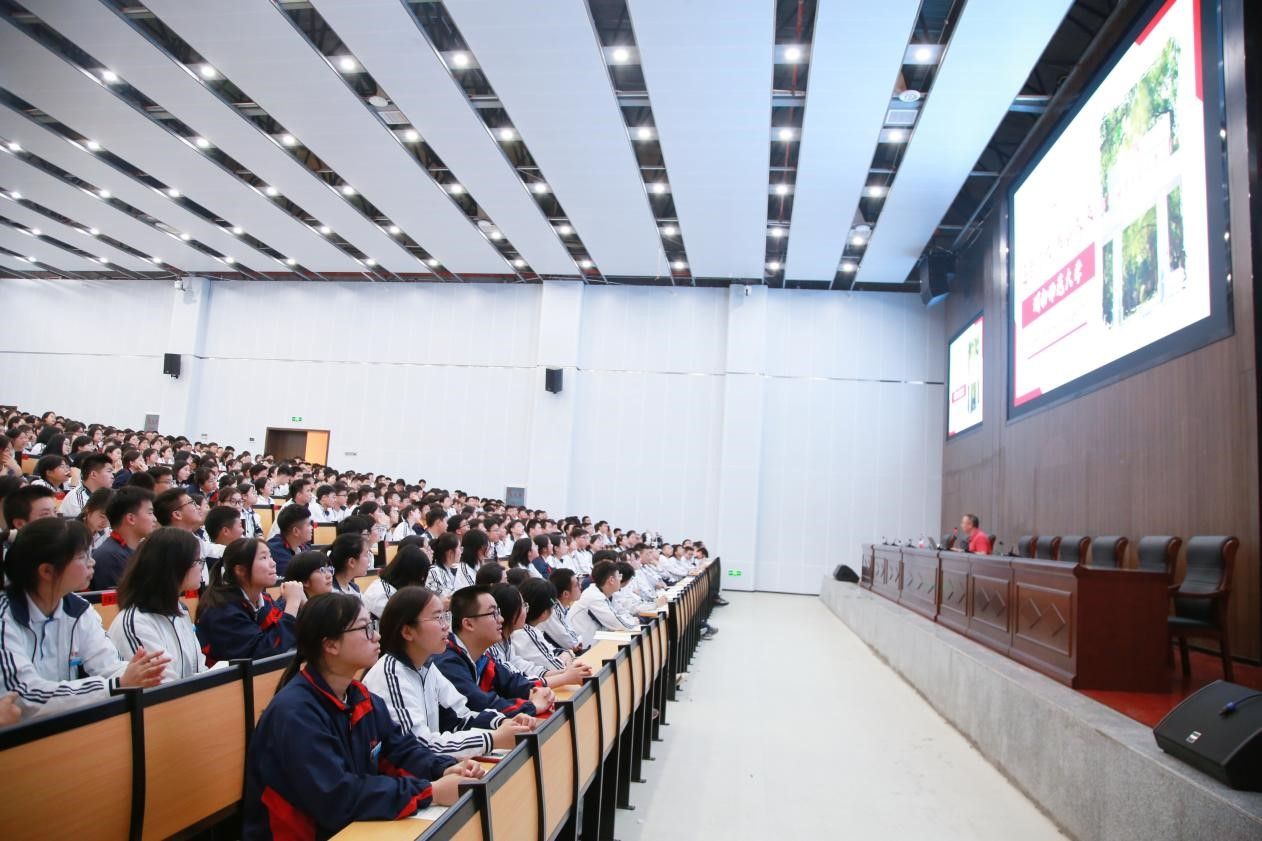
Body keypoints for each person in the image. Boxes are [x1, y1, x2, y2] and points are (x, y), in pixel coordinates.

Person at [242, 592, 483, 839]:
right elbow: (337, 797)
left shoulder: (360, 696)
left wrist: (445, 769)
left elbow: (399, 751)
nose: (377, 636)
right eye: (365, 629)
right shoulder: (295, 713)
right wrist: (430, 792)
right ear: (331, 645)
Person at [0, 517, 169, 720]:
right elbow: (24, 695)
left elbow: (108, 665)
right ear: (47, 571)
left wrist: (143, 672)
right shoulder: (4, 617)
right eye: (82, 556)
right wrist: (115, 685)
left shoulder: (79, 609)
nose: (92, 562)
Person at [364, 586, 534, 760]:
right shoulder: (391, 675)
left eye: (446, 617)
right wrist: (492, 739)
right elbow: (420, 745)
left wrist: (503, 722)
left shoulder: (427, 666)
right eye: (438, 618)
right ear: (407, 631)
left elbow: (461, 717)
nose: (446, 626)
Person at [108, 527, 218, 682]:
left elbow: (198, 668)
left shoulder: (180, 610)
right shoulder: (136, 623)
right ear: (174, 566)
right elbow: (163, 686)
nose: (201, 567)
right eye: (197, 561)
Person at [431, 586, 553, 719]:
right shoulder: (447, 661)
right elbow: (480, 704)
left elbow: (510, 682)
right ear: (468, 624)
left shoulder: (481, 657)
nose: (501, 619)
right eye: (493, 613)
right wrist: (532, 706)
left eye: (498, 612)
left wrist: (535, 692)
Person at [196, 538, 303, 664]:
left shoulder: (263, 600)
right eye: (264, 558)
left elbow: (289, 635)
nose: (273, 563)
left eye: (271, 556)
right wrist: (292, 604)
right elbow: (262, 655)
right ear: (240, 570)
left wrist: (304, 603)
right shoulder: (222, 611)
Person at [491, 583, 589, 685]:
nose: (526, 609)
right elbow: (517, 684)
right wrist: (565, 674)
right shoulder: (521, 634)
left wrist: (566, 670)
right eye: (523, 605)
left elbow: (523, 667)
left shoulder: (507, 639)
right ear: (511, 612)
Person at [89, 487, 158, 590]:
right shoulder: (109, 557)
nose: (154, 519)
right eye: (150, 513)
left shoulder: (141, 550)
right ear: (131, 518)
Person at [569, 559, 638, 645]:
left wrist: (631, 620)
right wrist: (634, 622)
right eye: (619, 576)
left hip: (596, 637)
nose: (621, 579)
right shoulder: (594, 596)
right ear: (611, 580)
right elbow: (617, 623)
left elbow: (620, 612)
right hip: (583, 645)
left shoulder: (604, 593)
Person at [514, 579, 578, 670]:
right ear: (544, 613)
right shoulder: (525, 634)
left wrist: (567, 653)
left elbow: (550, 650)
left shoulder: (530, 629)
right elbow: (558, 668)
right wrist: (569, 653)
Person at [363, 544, 430, 621]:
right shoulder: (381, 593)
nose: (422, 579)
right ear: (410, 573)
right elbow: (404, 621)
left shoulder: (395, 588)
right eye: (421, 575)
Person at [58, 453, 113, 518]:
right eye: (109, 471)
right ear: (93, 474)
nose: (112, 476)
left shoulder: (104, 494)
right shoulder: (78, 498)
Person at [266, 503, 314, 577]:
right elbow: (296, 577)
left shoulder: (304, 547)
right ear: (296, 531)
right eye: (308, 525)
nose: (312, 528)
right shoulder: (275, 551)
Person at [542, 569, 584, 653]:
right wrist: (580, 639)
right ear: (565, 594)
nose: (580, 587)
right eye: (577, 585)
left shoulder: (562, 607)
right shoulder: (553, 612)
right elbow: (573, 644)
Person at [329, 532, 374, 598]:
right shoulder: (332, 594)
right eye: (366, 555)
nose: (369, 560)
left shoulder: (354, 588)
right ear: (351, 562)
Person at [424, 533, 461, 598]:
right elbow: (447, 599)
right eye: (459, 548)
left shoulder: (449, 570)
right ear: (450, 552)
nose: (461, 552)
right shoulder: (434, 572)